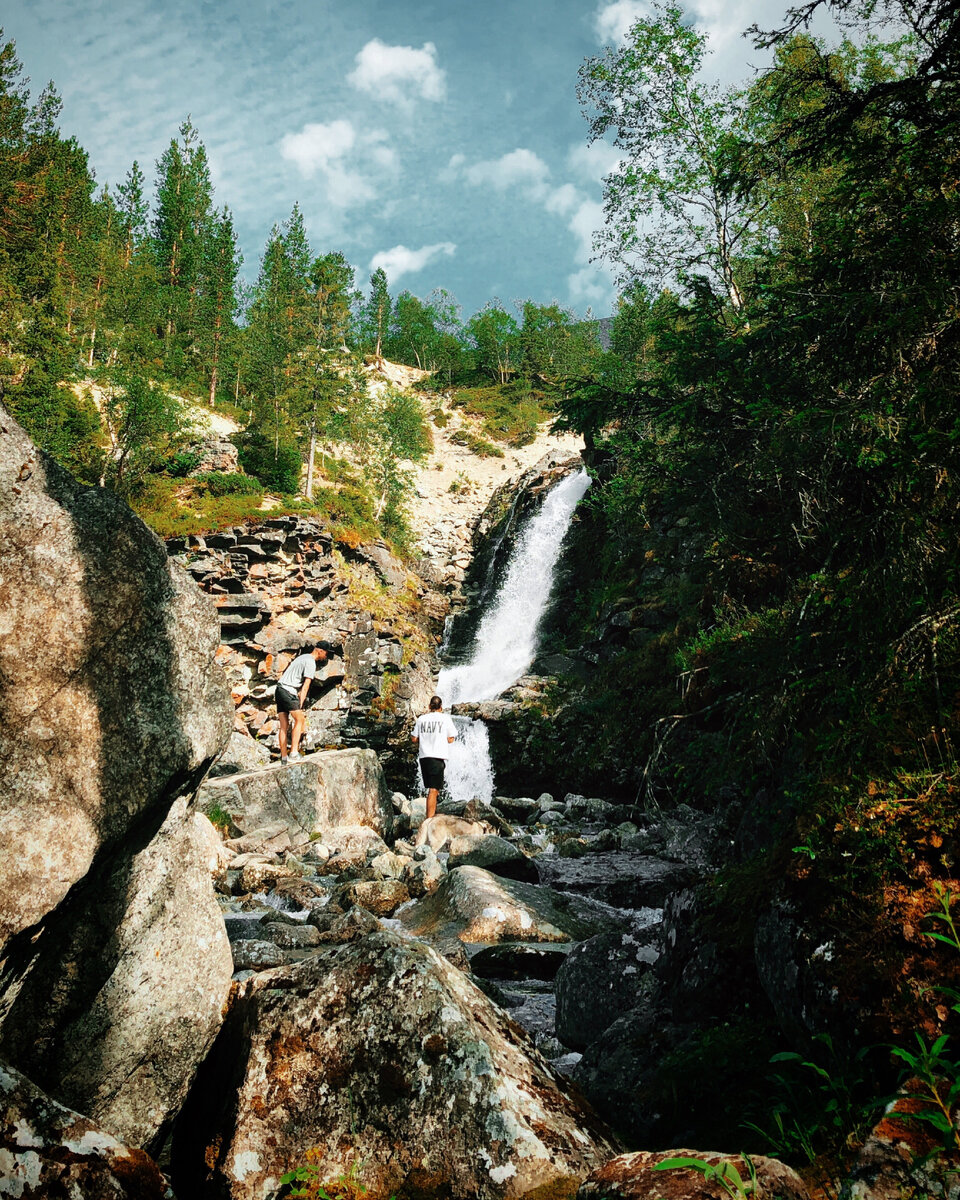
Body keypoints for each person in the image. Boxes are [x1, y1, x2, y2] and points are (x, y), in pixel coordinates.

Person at [276, 642, 334, 764]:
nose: (326, 656)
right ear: (320, 651)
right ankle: (293, 753)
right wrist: (300, 704)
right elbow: (306, 685)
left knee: (283, 725)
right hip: (288, 691)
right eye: (326, 653)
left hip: (279, 689)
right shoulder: (311, 662)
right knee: (300, 720)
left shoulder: (302, 657)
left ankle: (284, 758)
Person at [411, 695, 457, 818]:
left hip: (424, 757)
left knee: (432, 789)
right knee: (433, 790)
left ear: (429, 706)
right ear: (441, 707)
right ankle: (429, 820)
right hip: (437, 757)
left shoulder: (421, 719)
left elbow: (414, 738)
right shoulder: (445, 719)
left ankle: (430, 817)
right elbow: (451, 739)